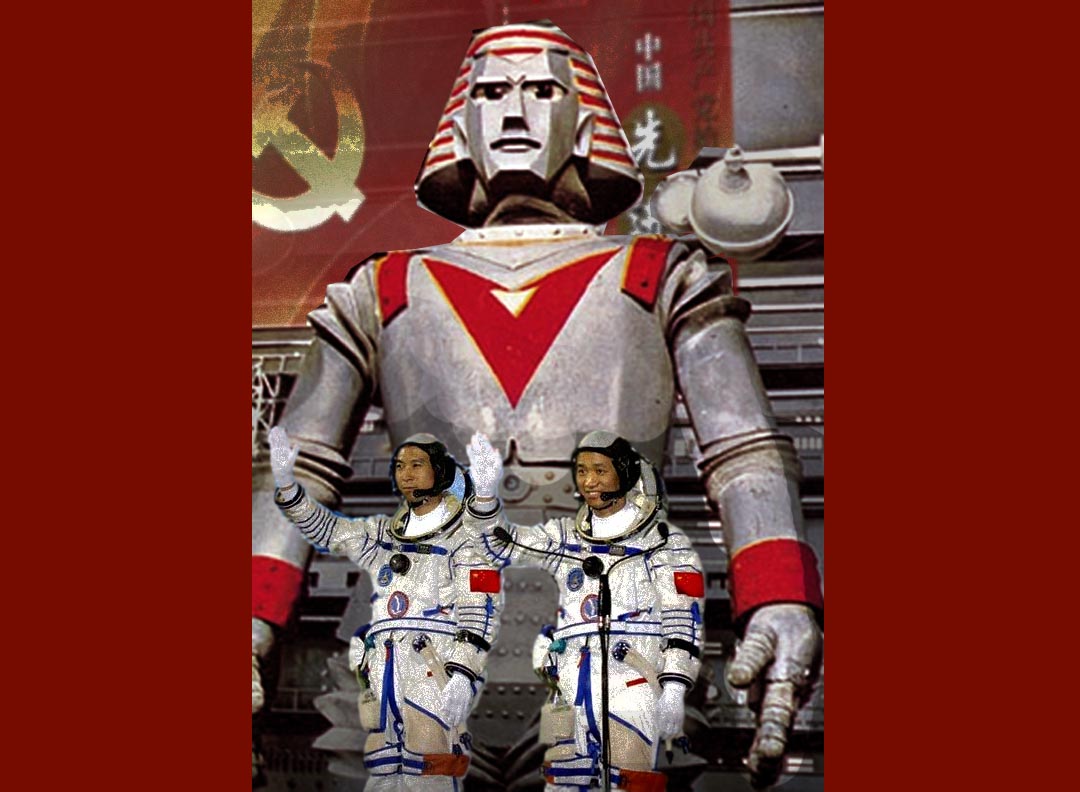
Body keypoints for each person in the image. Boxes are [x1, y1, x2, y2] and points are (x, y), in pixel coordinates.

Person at [251, 20, 823, 784]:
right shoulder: (380, 289)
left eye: (542, 90)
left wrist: (780, 595)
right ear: (461, 127)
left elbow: (743, 448)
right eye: (492, 92)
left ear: (585, 125)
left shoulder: (662, 276)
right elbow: (299, 464)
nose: (514, 111)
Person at [464, 430, 703, 792]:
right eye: (582, 471)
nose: (589, 481)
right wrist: (484, 495)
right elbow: (499, 545)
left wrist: (673, 689)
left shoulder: (667, 548)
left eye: (600, 471)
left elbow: (682, 623)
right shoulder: (566, 538)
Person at [268, 426, 502, 791]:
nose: (406, 473)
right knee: (384, 764)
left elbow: (480, 611)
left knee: (429, 765)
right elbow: (327, 530)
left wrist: (462, 674)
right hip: (385, 664)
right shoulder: (383, 536)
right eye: (400, 465)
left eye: (417, 465)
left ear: (440, 473)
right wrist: (287, 486)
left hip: (433, 664)